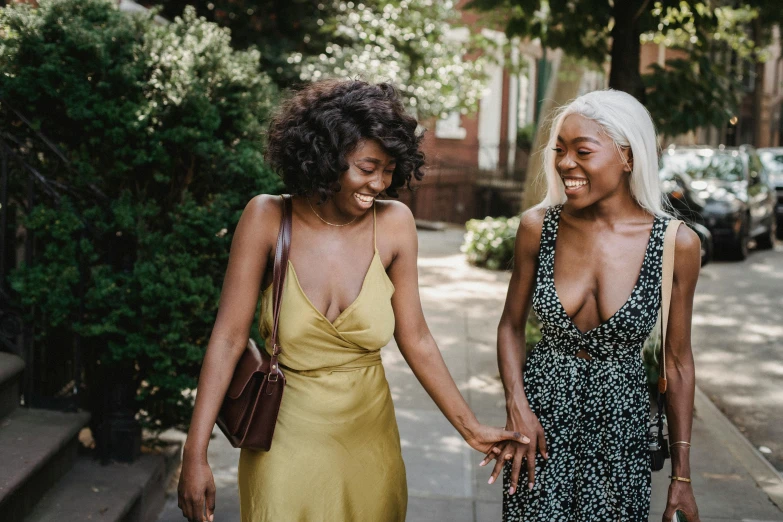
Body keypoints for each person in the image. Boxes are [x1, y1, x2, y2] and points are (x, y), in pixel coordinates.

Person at [176, 79, 528, 522]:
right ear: (326, 156)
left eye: (389, 170)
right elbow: (228, 339)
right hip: (283, 437)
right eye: (367, 167)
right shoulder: (267, 217)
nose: (379, 183)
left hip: (369, 438)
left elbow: (415, 337)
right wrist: (195, 452)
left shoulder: (395, 224)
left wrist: (471, 427)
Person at [481, 90, 701, 521]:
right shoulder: (537, 227)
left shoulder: (676, 244)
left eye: (583, 151)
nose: (565, 163)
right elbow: (510, 326)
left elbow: (677, 363)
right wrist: (517, 405)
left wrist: (682, 476)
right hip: (539, 424)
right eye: (559, 149)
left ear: (628, 157)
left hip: (620, 430)